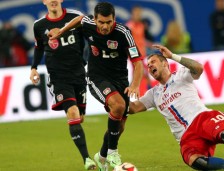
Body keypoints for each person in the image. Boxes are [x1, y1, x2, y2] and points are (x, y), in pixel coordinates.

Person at [128, 44, 224, 170]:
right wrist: (114, 95)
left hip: (201, 119)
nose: (150, 65)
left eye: (153, 62)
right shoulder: (153, 94)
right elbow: (132, 108)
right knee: (195, 161)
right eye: (148, 65)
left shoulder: (180, 75)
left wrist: (173, 56)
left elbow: (198, 68)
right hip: (186, 137)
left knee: (221, 133)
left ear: (165, 63)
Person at [48, 2, 144, 170]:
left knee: (119, 126)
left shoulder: (124, 33)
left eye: (109, 22)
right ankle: (113, 153)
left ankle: (101, 156)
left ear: (114, 19)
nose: (105, 26)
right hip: (97, 77)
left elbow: (138, 63)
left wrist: (135, 84)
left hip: (120, 80)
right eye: (101, 22)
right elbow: (80, 19)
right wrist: (62, 31)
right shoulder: (89, 23)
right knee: (118, 105)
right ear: (95, 19)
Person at [29, 0, 96, 170]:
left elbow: (89, 35)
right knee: (72, 113)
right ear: (44, 1)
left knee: (79, 117)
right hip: (58, 77)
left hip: (79, 74)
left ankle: (95, 156)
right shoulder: (39, 25)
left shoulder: (75, 17)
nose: (52, 0)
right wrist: (34, 68)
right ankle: (87, 160)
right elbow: (38, 47)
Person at [126, 5, 154, 90]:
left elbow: (145, 39)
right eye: (136, 13)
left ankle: (147, 90)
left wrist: (151, 45)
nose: (138, 15)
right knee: (139, 71)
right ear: (132, 14)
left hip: (142, 52)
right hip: (133, 52)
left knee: (144, 72)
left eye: (139, 13)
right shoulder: (129, 26)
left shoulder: (142, 25)